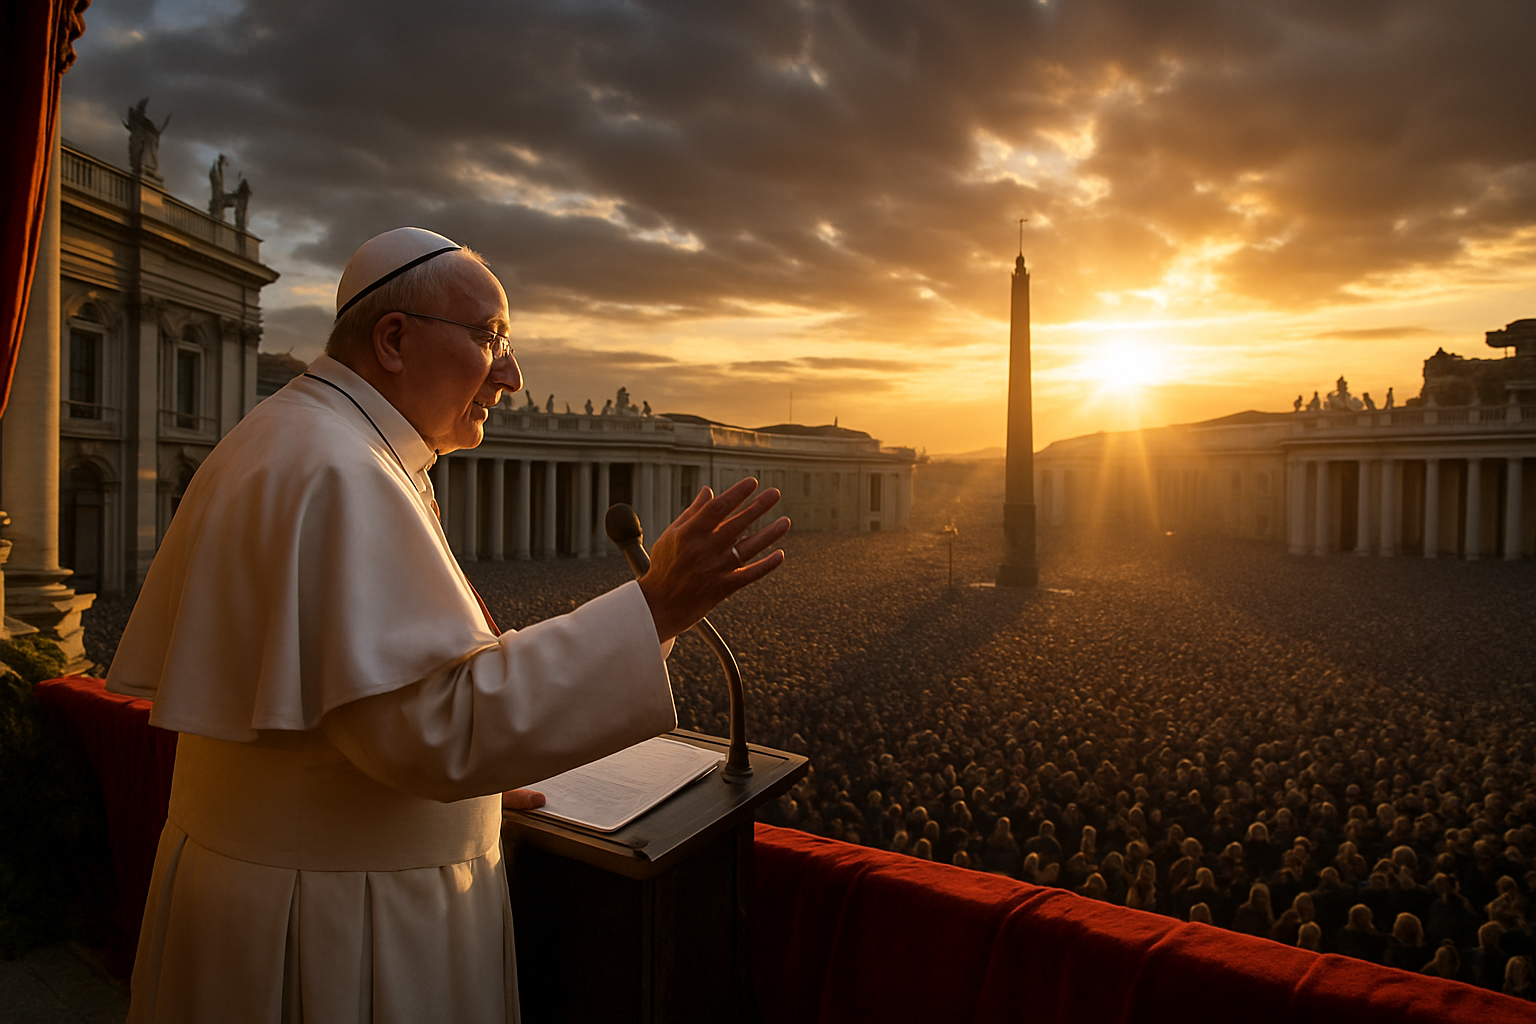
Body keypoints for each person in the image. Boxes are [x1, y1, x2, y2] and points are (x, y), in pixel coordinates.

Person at [106, 228, 791, 1023]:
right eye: (490, 337)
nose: (512, 373)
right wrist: (657, 605)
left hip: (267, 893)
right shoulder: (342, 470)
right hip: (340, 932)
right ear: (393, 339)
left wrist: (481, 791)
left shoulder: (291, 440)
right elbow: (434, 724)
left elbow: (362, 716)